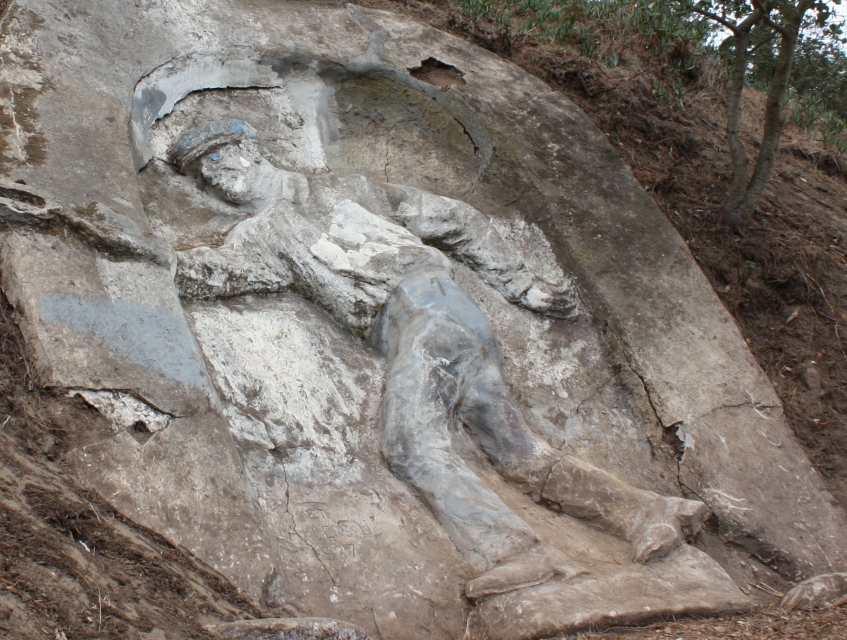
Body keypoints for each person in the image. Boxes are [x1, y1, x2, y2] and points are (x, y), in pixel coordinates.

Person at [164, 120, 706, 601]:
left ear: (249, 152)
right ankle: (649, 512)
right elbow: (214, 273)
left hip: (435, 315)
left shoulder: (350, 189)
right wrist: (142, 252)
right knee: (517, 451)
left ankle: (523, 556)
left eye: (214, 159)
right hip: (427, 329)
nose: (209, 179)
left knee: (410, 445)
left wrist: (523, 287)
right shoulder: (263, 237)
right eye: (197, 175)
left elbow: (456, 220)